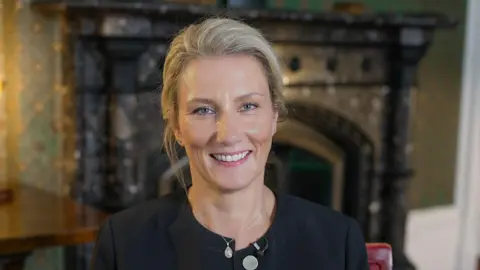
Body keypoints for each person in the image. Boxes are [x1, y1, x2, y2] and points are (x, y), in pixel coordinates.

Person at [90, 17, 369, 270]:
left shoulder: (338, 241)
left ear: (274, 115)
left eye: (248, 106)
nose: (228, 135)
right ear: (176, 125)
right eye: (203, 110)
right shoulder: (124, 243)